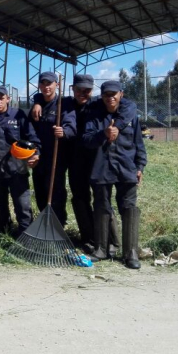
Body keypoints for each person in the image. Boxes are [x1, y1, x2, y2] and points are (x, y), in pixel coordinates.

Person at [30, 74, 136, 253]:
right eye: (79, 89)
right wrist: (37, 101)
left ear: (92, 90)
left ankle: (112, 241)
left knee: (101, 200)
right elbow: (45, 96)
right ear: (72, 89)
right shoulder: (66, 103)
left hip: (97, 159)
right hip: (73, 159)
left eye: (86, 90)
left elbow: (130, 106)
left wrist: (117, 125)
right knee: (79, 197)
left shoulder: (97, 104)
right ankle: (88, 237)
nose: (82, 93)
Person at [83, 81, 147, 269]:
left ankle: (130, 253)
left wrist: (140, 166)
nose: (110, 98)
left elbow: (138, 144)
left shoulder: (130, 117)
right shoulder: (93, 116)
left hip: (126, 167)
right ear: (101, 96)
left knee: (129, 208)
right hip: (101, 168)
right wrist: (104, 133)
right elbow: (86, 140)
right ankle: (101, 249)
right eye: (106, 95)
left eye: (114, 94)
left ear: (121, 94)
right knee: (101, 206)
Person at [0, 86, 40, 236]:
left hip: (17, 169)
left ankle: (26, 235)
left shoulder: (18, 115)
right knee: (0, 204)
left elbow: (32, 138)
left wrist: (36, 154)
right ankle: (3, 231)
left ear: (8, 99)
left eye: (2, 98)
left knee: (22, 205)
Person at [29, 72, 76, 226]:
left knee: (56, 193)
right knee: (40, 192)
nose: (46, 87)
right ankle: (45, 224)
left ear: (57, 85)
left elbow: (71, 125)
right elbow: (31, 130)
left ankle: (59, 225)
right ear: (39, 86)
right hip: (39, 156)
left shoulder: (65, 103)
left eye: (50, 83)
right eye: (43, 84)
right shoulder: (37, 104)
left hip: (57, 158)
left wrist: (64, 131)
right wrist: (35, 152)